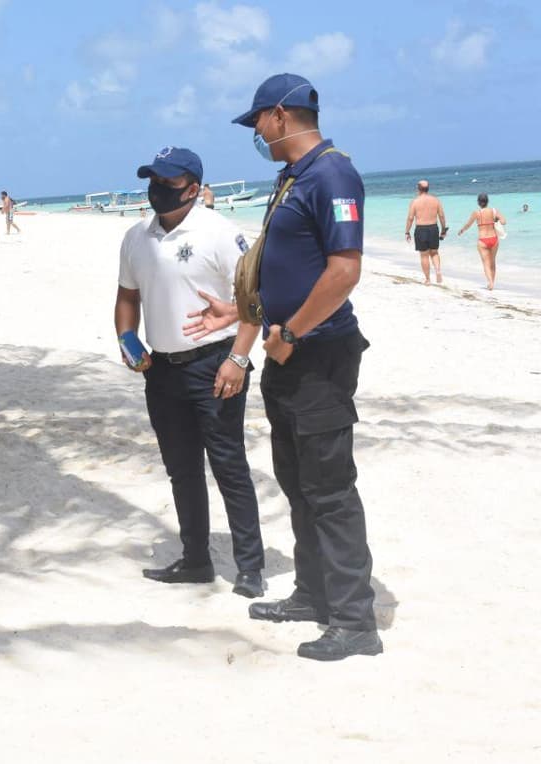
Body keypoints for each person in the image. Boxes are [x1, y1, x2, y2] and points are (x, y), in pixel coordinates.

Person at [227, 73, 381, 660]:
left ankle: (354, 623)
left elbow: (345, 270)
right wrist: (249, 315)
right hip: (284, 352)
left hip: (317, 355)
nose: (257, 133)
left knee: (330, 488)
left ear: (282, 115)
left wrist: (293, 330)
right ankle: (312, 593)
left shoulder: (333, 173)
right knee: (297, 483)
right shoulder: (290, 177)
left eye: (258, 121)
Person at [114, 146, 266, 598]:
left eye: (167, 183)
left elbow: (254, 301)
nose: (157, 190)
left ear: (194, 189)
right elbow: (127, 297)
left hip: (215, 365)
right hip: (161, 372)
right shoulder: (136, 238)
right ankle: (195, 559)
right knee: (181, 471)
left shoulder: (219, 233)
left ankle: (251, 567)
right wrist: (127, 339)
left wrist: (237, 359)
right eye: (153, 181)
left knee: (229, 467)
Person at [457, 192, 506, 290]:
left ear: (478, 202)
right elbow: (504, 222)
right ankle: (492, 281)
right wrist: (495, 219)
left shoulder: (476, 213)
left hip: (482, 240)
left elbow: (468, 224)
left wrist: (462, 230)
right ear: (487, 201)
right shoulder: (494, 211)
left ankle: (490, 282)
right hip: (494, 239)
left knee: (486, 263)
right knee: (492, 262)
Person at [403, 179, 448, 285]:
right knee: (434, 252)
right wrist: (443, 229)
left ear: (418, 189)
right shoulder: (435, 200)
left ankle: (428, 279)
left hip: (421, 229)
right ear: (428, 189)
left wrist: (407, 232)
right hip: (433, 228)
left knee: (424, 255)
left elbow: (410, 218)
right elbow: (441, 215)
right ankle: (438, 271)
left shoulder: (415, 202)